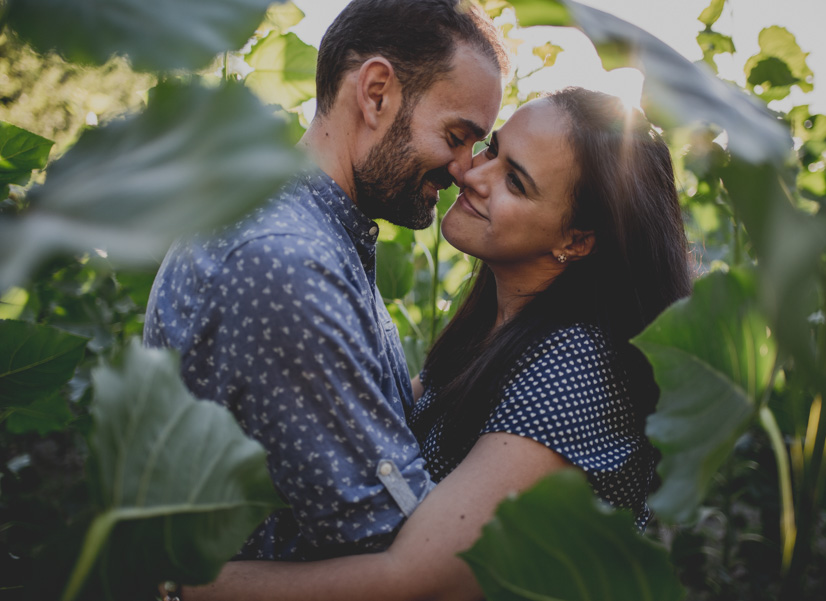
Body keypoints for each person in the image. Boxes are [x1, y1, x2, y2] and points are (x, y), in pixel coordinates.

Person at [181, 88, 693, 600]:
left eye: (515, 182)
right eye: (492, 150)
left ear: (576, 240)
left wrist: (182, 585)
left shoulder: (576, 368)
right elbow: (373, 432)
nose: (472, 175)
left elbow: (419, 584)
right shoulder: (491, 333)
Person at [144, 0, 506, 562]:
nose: (464, 169)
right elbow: (395, 540)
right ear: (377, 93)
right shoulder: (288, 263)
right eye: (457, 136)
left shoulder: (306, 227)